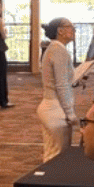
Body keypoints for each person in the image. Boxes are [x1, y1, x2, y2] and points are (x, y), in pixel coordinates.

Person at [37, 17, 78, 162]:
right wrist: (70, 113)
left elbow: (63, 80)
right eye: (70, 27)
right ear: (60, 31)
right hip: (55, 108)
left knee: (53, 154)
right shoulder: (58, 51)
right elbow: (61, 85)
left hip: (52, 106)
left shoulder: (55, 49)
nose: (73, 30)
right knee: (57, 157)